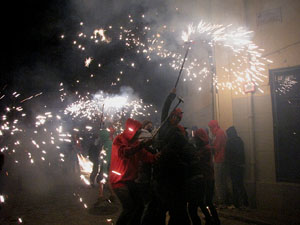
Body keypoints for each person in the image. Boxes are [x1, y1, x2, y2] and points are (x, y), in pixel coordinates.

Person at [155, 88, 197, 225]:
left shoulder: (177, 132)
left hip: (174, 176)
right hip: (165, 175)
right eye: (175, 117)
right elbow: (165, 110)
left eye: (178, 118)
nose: (176, 119)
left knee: (177, 212)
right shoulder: (164, 127)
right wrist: (171, 96)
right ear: (171, 117)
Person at [109, 118, 159, 225]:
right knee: (129, 208)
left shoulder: (136, 142)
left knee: (140, 206)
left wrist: (155, 157)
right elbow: (125, 152)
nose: (138, 134)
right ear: (132, 131)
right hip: (119, 182)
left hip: (130, 181)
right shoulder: (119, 140)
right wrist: (142, 145)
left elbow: (144, 155)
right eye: (137, 131)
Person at [189, 128, 220, 225]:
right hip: (207, 177)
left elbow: (197, 159)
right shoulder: (205, 147)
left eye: (197, 138)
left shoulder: (205, 149)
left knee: (205, 202)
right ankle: (213, 219)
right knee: (206, 202)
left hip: (207, 178)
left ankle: (213, 220)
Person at [225, 126, 249, 209]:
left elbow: (227, 155)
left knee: (235, 185)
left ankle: (236, 204)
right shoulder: (239, 140)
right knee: (240, 184)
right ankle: (245, 203)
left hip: (233, 166)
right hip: (240, 165)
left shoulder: (230, 141)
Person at [208, 120, 229, 207]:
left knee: (218, 181)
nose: (210, 130)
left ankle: (221, 200)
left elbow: (217, 147)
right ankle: (223, 199)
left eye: (210, 127)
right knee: (223, 181)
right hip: (222, 159)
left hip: (219, 159)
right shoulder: (221, 132)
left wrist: (210, 147)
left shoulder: (219, 133)